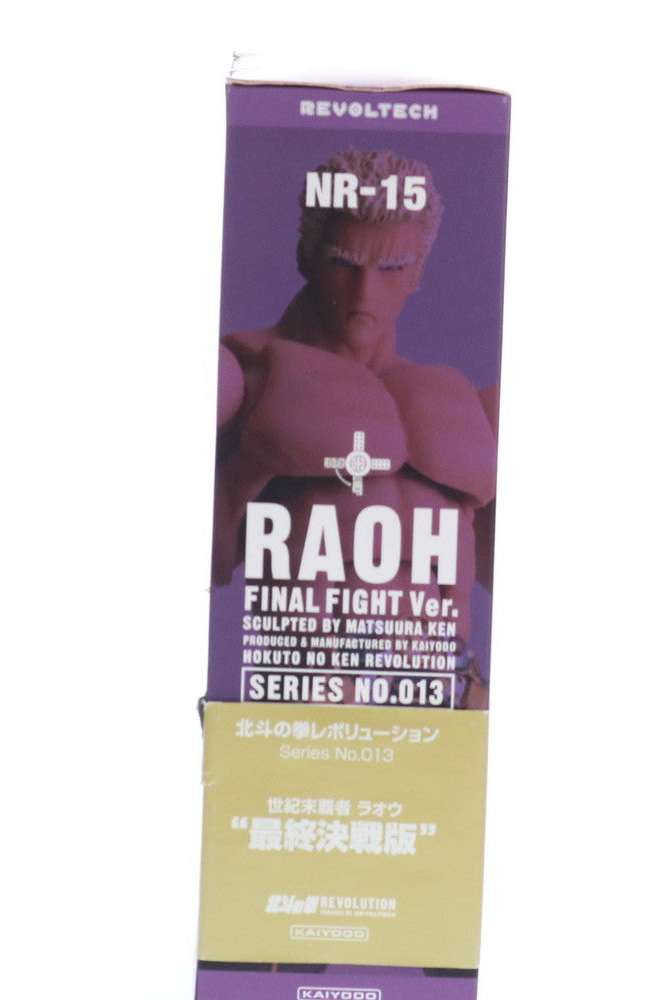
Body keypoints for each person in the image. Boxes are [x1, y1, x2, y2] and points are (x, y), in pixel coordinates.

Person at [213, 149, 497, 707]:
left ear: (418, 272)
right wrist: (243, 469)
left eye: (391, 268)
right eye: (344, 263)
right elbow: (193, 569)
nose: (365, 294)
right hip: (312, 682)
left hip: (446, 686)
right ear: (307, 256)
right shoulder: (240, 374)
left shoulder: (471, 406)